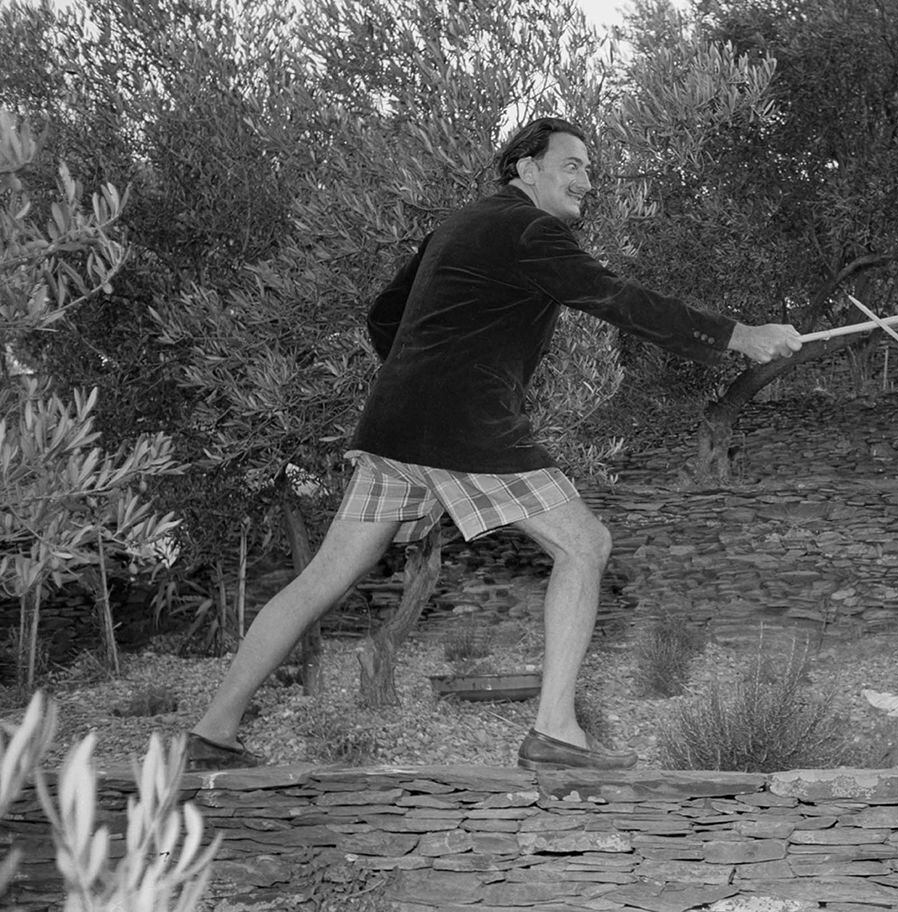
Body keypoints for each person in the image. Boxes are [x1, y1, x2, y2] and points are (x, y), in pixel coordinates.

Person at [186, 117, 802, 772]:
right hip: (464, 428)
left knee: (321, 580)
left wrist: (428, 368)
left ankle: (212, 731)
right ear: (525, 169)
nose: (586, 181)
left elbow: (383, 317)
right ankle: (555, 733)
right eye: (572, 165)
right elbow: (616, 298)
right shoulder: (530, 230)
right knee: (585, 544)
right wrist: (741, 335)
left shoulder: (457, 227)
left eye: (590, 170)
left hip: (397, 429)